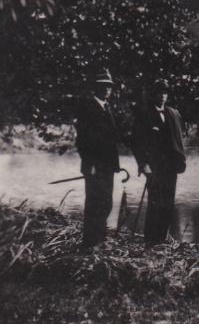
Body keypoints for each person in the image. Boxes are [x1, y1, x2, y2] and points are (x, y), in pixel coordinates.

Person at [132, 78, 186, 246]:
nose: (162, 96)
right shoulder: (144, 114)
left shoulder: (173, 114)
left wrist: (180, 160)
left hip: (171, 167)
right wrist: (143, 164)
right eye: (159, 93)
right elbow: (136, 143)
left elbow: (179, 139)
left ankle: (161, 240)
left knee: (168, 204)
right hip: (154, 168)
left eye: (165, 93)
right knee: (155, 202)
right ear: (153, 95)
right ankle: (150, 241)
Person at [75, 68, 123, 249]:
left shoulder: (106, 107)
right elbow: (82, 141)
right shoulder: (88, 108)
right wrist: (90, 164)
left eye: (109, 87)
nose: (107, 90)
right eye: (103, 86)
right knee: (94, 203)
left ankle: (100, 239)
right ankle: (90, 243)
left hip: (108, 166)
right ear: (95, 87)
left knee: (106, 202)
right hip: (95, 166)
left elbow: (112, 138)